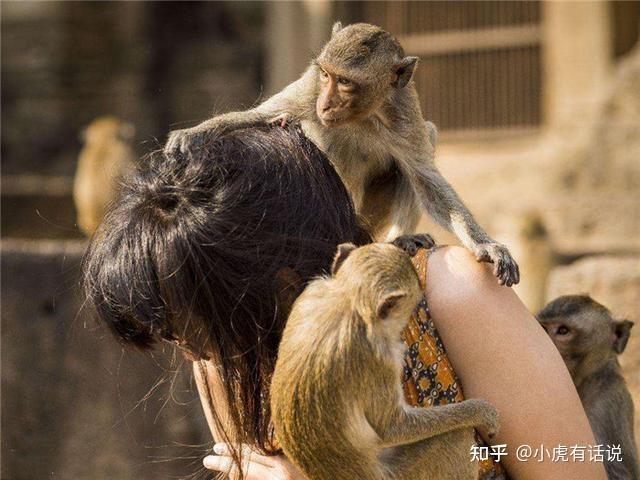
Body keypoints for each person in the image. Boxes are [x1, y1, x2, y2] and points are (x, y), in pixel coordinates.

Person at [83, 125, 606, 480]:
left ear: (281, 288)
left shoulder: (452, 295)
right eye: (171, 333)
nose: (190, 354)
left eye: (189, 328)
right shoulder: (228, 357)